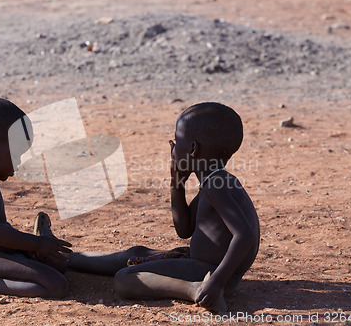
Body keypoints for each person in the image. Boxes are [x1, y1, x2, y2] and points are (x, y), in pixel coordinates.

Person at [68, 102, 259, 312]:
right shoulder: (215, 181)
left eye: (177, 140)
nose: (173, 145)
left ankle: (193, 289)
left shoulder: (216, 186)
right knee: (134, 254)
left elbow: (245, 235)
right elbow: (184, 229)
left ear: (193, 149)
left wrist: (216, 281)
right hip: (201, 264)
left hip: (212, 273)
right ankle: (64, 258)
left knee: (126, 278)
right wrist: (177, 183)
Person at [0, 97, 73, 298]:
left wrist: (27, 249)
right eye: (15, 155)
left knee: (58, 266)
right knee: (56, 285)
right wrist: (36, 244)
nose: (17, 164)